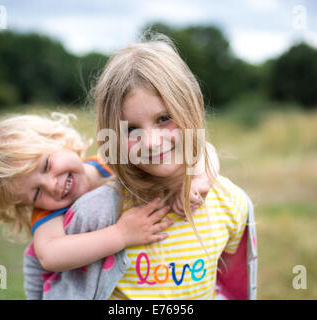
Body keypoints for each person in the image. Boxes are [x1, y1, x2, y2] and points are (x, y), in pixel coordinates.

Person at [30, 33, 255, 300]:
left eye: (163, 118)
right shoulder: (95, 214)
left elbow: (232, 285)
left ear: (191, 107)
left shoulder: (232, 203)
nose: (151, 142)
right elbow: (54, 279)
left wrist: (202, 178)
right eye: (132, 129)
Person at [0, 112, 217, 299]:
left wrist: (199, 178)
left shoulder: (110, 161)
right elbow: (50, 255)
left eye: (46, 165)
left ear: (59, 140)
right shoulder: (47, 213)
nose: (52, 185)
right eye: (36, 192)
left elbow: (203, 149)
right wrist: (121, 234)